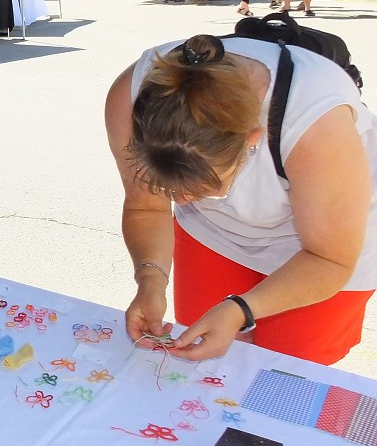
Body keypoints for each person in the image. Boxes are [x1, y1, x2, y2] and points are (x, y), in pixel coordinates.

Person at [105, 33, 377, 365]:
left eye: (202, 189)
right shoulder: (130, 98)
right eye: (168, 186)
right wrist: (150, 280)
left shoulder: (313, 122)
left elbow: (331, 259)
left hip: (325, 247)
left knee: (286, 372)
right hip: (215, 235)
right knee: (208, 360)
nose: (183, 201)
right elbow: (144, 205)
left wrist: (241, 310)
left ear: (252, 139)